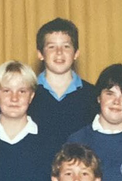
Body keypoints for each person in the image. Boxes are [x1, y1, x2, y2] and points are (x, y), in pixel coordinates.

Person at [29, 17, 96, 147]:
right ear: (40, 54)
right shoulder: (27, 94)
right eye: (51, 47)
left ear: (76, 53)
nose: (59, 52)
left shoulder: (93, 95)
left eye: (66, 46)